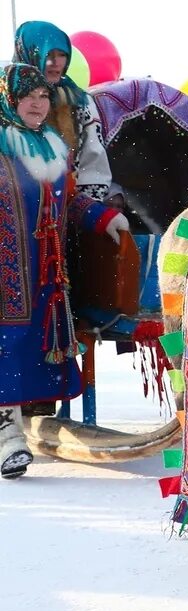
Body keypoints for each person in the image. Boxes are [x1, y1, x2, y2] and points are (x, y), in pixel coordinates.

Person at [0, 64, 130, 479]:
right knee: (6, 343)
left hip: (45, 270)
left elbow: (70, 200)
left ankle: (21, 424)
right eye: (28, 97)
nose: (38, 105)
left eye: (43, 97)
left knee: (31, 345)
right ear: (9, 99)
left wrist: (103, 217)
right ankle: (7, 435)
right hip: (6, 269)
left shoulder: (54, 145)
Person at [13, 21, 113, 201]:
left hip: (65, 208)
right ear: (28, 52)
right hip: (13, 208)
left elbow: (93, 159)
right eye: (48, 54)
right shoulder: (6, 99)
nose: (56, 62)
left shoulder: (79, 101)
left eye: (62, 55)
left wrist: (88, 210)